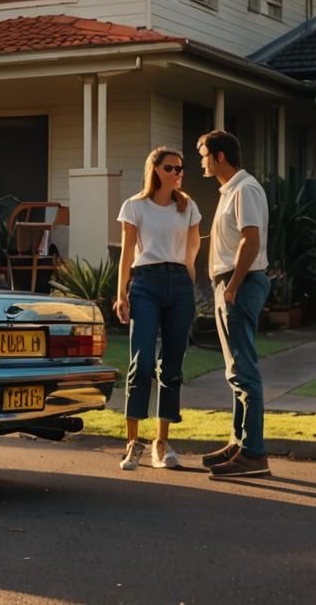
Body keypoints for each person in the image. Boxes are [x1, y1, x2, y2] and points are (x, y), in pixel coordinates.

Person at [114, 147, 202, 470]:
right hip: (146, 284)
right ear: (155, 170)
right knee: (143, 361)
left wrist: (188, 272)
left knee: (173, 365)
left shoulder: (187, 206)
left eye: (181, 168)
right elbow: (126, 254)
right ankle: (131, 444)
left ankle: (161, 444)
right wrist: (121, 294)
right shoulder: (134, 207)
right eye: (171, 168)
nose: (178, 173)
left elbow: (194, 244)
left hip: (179, 284)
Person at [197, 130, 272, 479]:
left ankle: (254, 454)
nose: (202, 161)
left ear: (220, 156)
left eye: (204, 155)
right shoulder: (230, 191)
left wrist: (233, 287)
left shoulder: (245, 189)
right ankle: (239, 443)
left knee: (244, 371)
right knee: (235, 372)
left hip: (238, 285)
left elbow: (251, 241)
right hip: (227, 284)